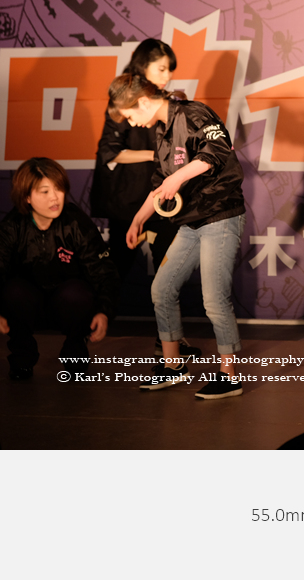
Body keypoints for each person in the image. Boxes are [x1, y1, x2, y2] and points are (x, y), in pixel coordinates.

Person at [107, 73, 246, 399]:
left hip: (220, 216)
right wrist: (138, 219)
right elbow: (161, 183)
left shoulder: (192, 112)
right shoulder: (161, 131)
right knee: (162, 289)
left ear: (143, 101)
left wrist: (179, 177)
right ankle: (173, 366)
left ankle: (229, 376)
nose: (132, 123)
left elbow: (218, 149)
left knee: (214, 299)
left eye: (130, 115)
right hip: (190, 222)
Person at [90, 38, 197, 358]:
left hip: (164, 197)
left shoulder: (172, 101)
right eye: (161, 69)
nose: (167, 76)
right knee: (116, 268)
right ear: (142, 66)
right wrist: (155, 154)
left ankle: (171, 341)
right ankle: (88, 327)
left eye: (170, 70)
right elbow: (109, 152)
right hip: (129, 198)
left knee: (168, 270)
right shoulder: (123, 99)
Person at [1, 158, 117, 380]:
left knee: (77, 293)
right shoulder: (12, 226)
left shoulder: (76, 222)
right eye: (45, 191)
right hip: (28, 305)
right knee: (13, 291)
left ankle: (75, 353)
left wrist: (104, 312)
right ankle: (22, 358)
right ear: (27, 197)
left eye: (58, 189)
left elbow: (104, 272)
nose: (54, 197)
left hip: (67, 306)